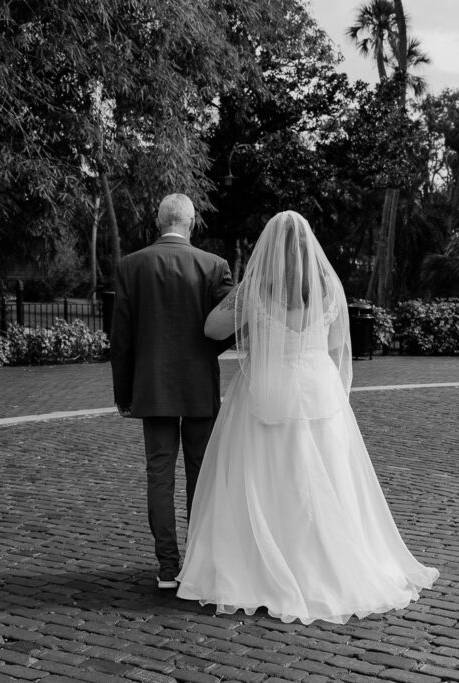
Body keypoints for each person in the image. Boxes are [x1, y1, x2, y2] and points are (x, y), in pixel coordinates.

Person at [176, 210, 438, 624]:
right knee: (326, 479)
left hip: (265, 390)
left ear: (269, 248)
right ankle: (324, 561)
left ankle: (259, 564)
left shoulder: (255, 289)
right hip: (319, 393)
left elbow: (212, 328)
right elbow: (336, 344)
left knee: (261, 478)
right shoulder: (328, 288)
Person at [110, 193, 234, 590]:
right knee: (201, 473)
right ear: (192, 222)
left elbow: (122, 338)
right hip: (198, 386)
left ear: (158, 220)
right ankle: (197, 563)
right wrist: (204, 353)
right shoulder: (214, 266)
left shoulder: (132, 266)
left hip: (152, 386)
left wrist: (124, 393)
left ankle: (167, 567)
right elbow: (227, 329)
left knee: (158, 475)